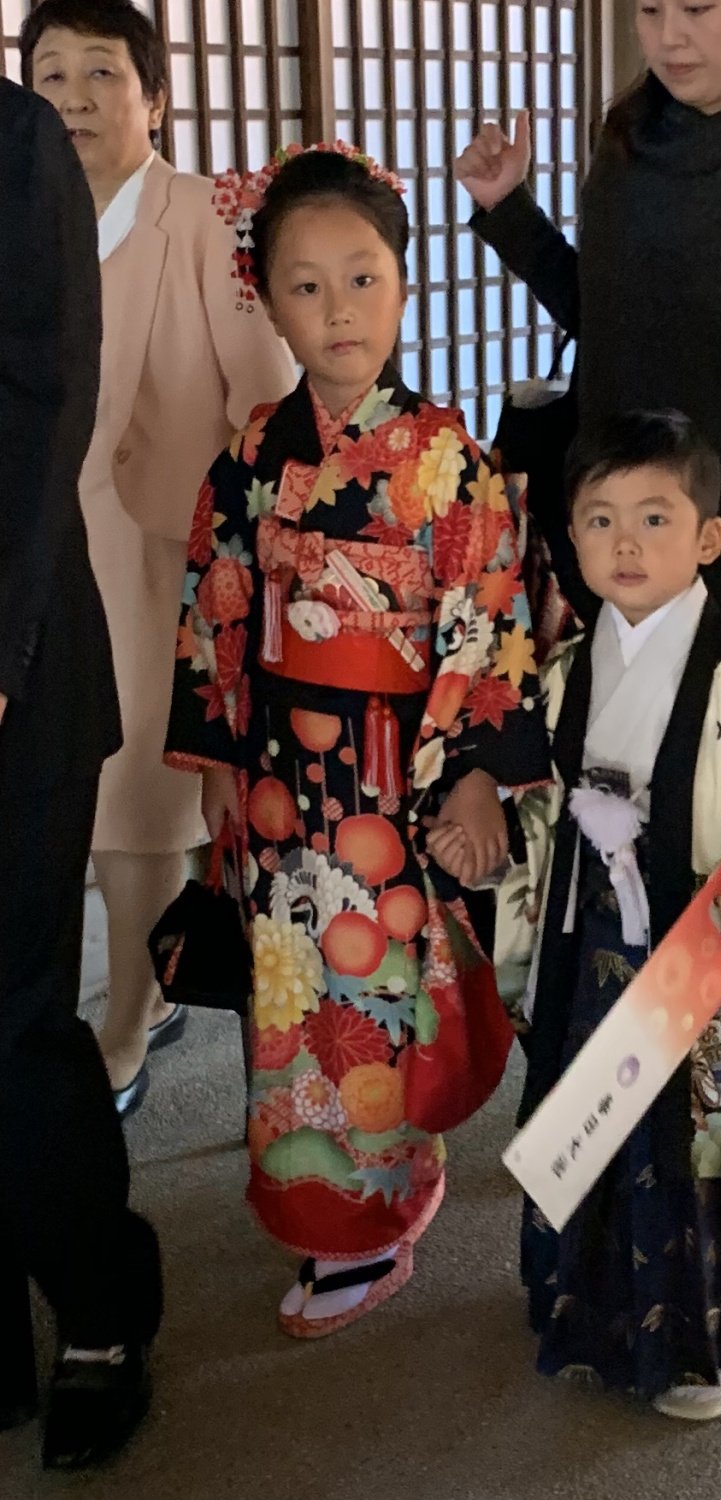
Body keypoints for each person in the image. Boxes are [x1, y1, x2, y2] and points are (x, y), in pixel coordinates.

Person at [164, 143, 550, 1338]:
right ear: (269, 303)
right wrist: (220, 765)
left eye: (363, 278)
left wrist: (475, 777)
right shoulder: (250, 457)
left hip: (394, 775)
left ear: (403, 285)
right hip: (280, 782)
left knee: (378, 994)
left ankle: (372, 1224)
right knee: (291, 994)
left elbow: (489, 614)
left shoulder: (447, 462)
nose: (339, 310)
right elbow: (216, 607)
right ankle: (315, 1202)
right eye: (307, 285)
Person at [452, 409, 721, 1418]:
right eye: (599, 520)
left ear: (707, 538)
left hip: (710, 942)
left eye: (654, 518)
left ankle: (716, 1339)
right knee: (593, 1123)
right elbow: (530, 798)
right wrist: (488, 832)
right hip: (594, 940)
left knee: (706, 1148)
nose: (625, 543)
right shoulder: (562, 674)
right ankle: (595, 1310)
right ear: (571, 539)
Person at [21, 0, 295, 1114]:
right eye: (50, 74)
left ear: (156, 100)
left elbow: (267, 402)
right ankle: (116, 993)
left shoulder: (207, 219)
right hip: (37, 544)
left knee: (130, 796)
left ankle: (130, 1019)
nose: (73, 98)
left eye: (101, 73)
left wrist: (234, 561)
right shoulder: (20, 209)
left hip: (157, 548)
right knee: (55, 786)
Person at [456, 0, 721, 686]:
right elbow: (604, 313)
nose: (669, 36)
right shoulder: (627, 137)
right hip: (617, 501)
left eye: (696, 7)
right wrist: (509, 210)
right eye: (651, 10)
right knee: (608, 727)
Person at [0, 78, 162, 1471]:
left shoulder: (10, 143)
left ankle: (102, 1313)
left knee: (12, 1018)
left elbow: (45, 400)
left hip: (16, 655)